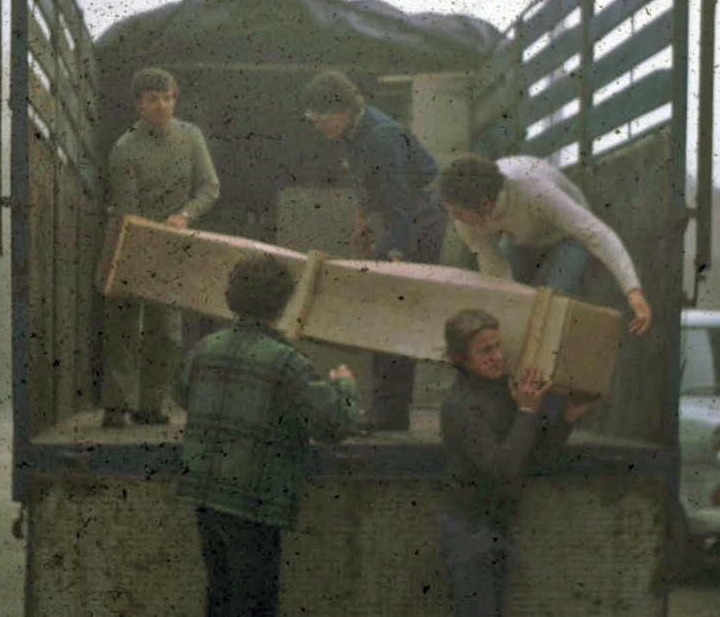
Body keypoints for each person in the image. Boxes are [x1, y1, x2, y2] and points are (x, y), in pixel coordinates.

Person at [173, 254, 360, 617]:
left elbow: (182, 393)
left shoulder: (204, 349)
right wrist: (346, 386)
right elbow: (333, 424)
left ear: (231, 298)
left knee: (221, 597)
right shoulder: (288, 362)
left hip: (206, 496)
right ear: (283, 304)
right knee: (254, 604)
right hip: (254, 505)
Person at [301, 69, 447, 431]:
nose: (318, 128)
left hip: (419, 218)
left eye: (321, 119)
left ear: (341, 111)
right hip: (401, 216)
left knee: (390, 308)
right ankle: (389, 409)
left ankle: (390, 411)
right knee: (385, 308)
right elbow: (364, 183)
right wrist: (361, 220)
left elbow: (402, 205)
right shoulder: (352, 133)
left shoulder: (382, 136)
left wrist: (397, 253)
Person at [439, 308, 593, 616]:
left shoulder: (501, 391)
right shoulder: (459, 406)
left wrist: (565, 420)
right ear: (460, 358)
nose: (497, 356)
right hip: (470, 533)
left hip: (499, 526)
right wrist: (526, 412)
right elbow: (503, 467)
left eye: (497, 346)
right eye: (485, 350)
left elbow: (532, 458)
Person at [103, 66, 221, 427]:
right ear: (138, 104)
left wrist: (184, 215)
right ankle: (117, 404)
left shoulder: (190, 138)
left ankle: (152, 405)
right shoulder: (125, 149)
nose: (162, 106)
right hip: (131, 239)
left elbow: (209, 187)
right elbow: (127, 208)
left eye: (168, 98)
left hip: (173, 244)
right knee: (124, 324)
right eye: (153, 99)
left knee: (167, 331)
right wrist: (141, 238)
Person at [437, 154, 653, 336]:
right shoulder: (467, 220)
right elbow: (493, 267)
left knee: (553, 308)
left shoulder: (533, 190)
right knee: (498, 305)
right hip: (521, 238)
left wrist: (632, 290)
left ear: (484, 204)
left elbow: (596, 234)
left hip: (566, 235)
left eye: (458, 213)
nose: (455, 219)